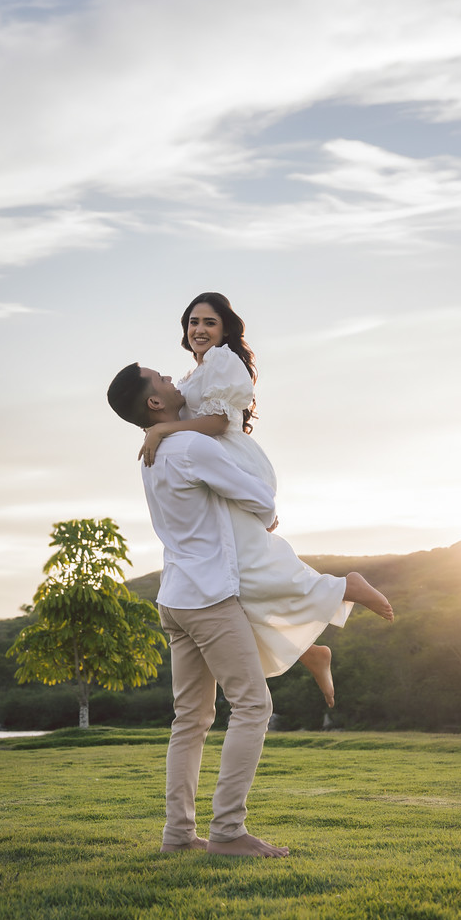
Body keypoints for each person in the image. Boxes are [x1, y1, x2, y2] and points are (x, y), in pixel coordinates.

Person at [138, 292, 393, 707]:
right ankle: (310, 652)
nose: (199, 330)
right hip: (213, 473)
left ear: (225, 330)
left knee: (250, 566)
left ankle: (346, 586)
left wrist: (162, 431)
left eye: (209, 322)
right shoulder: (192, 374)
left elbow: (220, 422)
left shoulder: (223, 362)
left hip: (233, 466)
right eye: (193, 323)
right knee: (232, 583)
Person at [108, 364, 289, 857]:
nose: (171, 378)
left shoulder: (152, 452)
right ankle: (228, 832)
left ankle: (179, 835)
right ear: (154, 403)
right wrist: (268, 518)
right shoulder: (191, 447)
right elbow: (260, 496)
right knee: (254, 706)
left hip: (174, 599)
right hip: (209, 598)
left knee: (189, 720)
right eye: (160, 379)